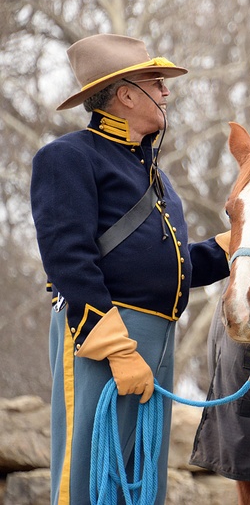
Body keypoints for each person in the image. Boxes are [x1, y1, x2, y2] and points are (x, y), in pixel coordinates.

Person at [31, 33, 231, 504]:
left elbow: (171, 266)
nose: (166, 92)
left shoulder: (153, 175)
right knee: (90, 480)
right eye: (156, 82)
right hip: (102, 335)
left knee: (139, 485)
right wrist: (117, 350)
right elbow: (68, 261)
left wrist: (238, 245)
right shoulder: (67, 157)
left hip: (158, 342)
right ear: (125, 94)